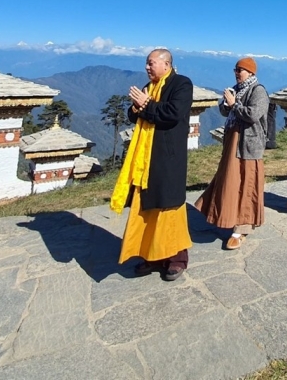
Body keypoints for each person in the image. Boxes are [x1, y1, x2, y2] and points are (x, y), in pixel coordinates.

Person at [110, 49, 193, 281]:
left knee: (169, 208)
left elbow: (173, 113)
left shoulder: (181, 84)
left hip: (168, 157)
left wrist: (146, 103)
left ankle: (176, 258)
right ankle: (151, 255)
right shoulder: (150, 86)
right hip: (145, 158)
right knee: (146, 207)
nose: (147, 68)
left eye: (151, 63)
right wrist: (137, 107)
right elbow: (135, 114)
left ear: (166, 64)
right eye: (146, 64)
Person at [195, 57, 268, 250]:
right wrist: (227, 105)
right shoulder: (237, 89)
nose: (237, 73)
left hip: (248, 145)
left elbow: (253, 115)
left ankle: (242, 226)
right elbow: (224, 110)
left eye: (241, 70)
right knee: (229, 179)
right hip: (233, 141)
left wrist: (234, 104)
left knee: (246, 182)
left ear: (251, 72)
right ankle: (224, 213)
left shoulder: (258, 91)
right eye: (236, 69)